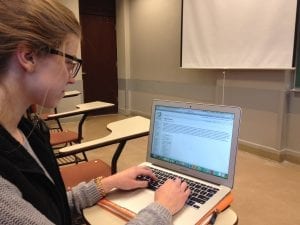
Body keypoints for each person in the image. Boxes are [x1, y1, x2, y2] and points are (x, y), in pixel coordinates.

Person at [0, 1, 191, 225]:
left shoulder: (25, 131)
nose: (72, 78)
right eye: (69, 62)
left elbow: (51, 208)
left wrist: (107, 183)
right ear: (29, 56)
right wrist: (162, 209)